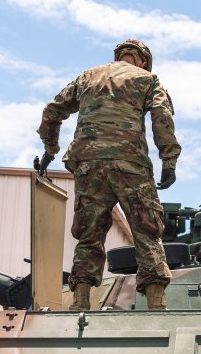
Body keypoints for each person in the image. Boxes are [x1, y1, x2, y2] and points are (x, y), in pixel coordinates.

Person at [38, 39, 179, 311]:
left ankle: (80, 300)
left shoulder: (88, 76)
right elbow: (162, 116)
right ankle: (156, 303)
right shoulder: (147, 78)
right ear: (142, 61)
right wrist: (169, 159)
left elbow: (52, 111)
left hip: (88, 163)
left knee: (89, 234)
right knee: (146, 229)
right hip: (129, 164)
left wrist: (50, 148)